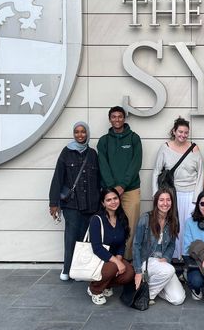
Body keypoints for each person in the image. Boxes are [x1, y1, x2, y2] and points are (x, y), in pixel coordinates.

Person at [49, 121, 101, 281]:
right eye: (77, 132)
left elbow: (99, 179)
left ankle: (78, 270)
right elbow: (58, 177)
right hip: (71, 204)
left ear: (87, 133)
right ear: (74, 134)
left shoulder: (92, 154)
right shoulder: (66, 152)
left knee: (85, 239)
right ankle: (67, 269)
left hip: (91, 204)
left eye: (83, 131)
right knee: (71, 237)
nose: (80, 135)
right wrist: (53, 203)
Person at [152, 117, 204, 259]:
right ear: (174, 131)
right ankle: (172, 256)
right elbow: (156, 171)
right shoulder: (165, 148)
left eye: (186, 132)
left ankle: (187, 256)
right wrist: (156, 195)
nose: (183, 135)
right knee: (172, 225)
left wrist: (197, 198)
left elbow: (201, 173)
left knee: (188, 226)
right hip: (171, 193)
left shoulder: (194, 148)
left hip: (191, 193)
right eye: (180, 131)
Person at [97, 106, 143, 259]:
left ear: (124, 119)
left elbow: (135, 164)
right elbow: (103, 165)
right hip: (110, 192)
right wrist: (112, 189)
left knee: (130, 226)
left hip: (130, 189)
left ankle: (128, 260)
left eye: (120, 116)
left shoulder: (134, 138)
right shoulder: (104, 141)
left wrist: (122, 185)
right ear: (110, 119)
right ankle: (109, 260)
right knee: (110, 225)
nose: (117, 119)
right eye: (114, 117)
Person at [132, 189, 186, 305]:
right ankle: (146, 295)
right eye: (161, 200)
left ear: (172, 202)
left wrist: (166, 257)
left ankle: (154, 289)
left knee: (178, 299)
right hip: (147, 261)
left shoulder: (173, 220)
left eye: (168, 200)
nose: (165, 203)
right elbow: (136, 245)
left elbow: (171, 244)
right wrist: (137, 271)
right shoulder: (146, 218)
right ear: (156, 202)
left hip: (162, 264)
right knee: (170, 270)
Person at [86, 188, 135, 305]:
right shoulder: (96, 220)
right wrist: (117, 263)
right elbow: (97, 248)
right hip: (99, 258)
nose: (113, 202)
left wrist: (119, 259)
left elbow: (122, 243)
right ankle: (95, 289)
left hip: (113, 259)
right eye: (109, 200)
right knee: (113, 267)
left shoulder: (122, 218)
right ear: (103, 203)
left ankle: (106, 284)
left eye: (115, 198)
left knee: (129, 273)